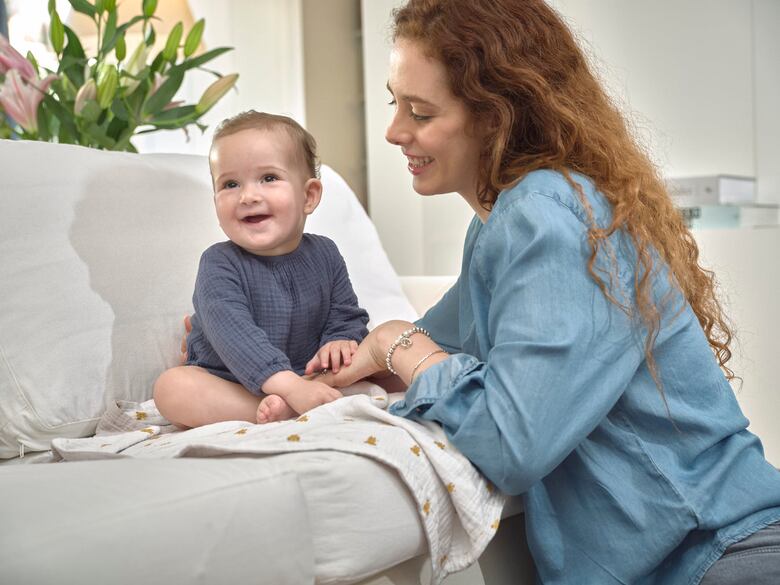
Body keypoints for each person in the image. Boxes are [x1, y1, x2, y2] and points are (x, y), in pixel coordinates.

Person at [311, 1, 780, 583]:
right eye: (394, 102)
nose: (394, 130)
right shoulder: (501, 223)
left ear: (494, 115)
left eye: (420, 112)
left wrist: (393, 342)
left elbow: (511, 441)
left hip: (721, 556)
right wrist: (271, 359)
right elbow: (429, 350)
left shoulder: (547, 216)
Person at [155, 111, 369, 428]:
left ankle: (297, 399)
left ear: (308, 196)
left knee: (382, 349)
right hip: (229, 379)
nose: (248, 196)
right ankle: (268, 406)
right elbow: (235, 334)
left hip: (307, 374)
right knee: (172, 388)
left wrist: (340, 339)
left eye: (268, 178)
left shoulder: (325, 253)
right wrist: (289, 387)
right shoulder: (218, 263)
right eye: (230, 184)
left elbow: (345, 312)